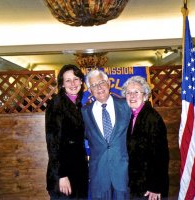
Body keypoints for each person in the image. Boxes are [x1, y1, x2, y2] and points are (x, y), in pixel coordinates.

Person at [81, 69, 131, 200]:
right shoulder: (84, 113)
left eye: (101, 82)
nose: (99, 87)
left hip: (124, 171)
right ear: (90, 90)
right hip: (98, 173)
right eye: (93, 85)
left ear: (108, 83)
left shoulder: (126, 106)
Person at [121, 75, 169, 200]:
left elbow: (161, 155)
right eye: (128, 93)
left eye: (136, 92)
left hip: (150, 188)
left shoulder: (152, 118)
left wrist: (156, 186)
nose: (132, 96)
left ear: (145, 96)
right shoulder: (130, 116)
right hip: (135, 185)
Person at [45, 64, 88, 200]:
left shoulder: (79, 104)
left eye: (76, 79)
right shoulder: (56, 104)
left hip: (78, 171)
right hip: (64, 174)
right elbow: (53, 143)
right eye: (68, 80)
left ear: (81, 81)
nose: (73, 83)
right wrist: (61, 176)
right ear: (62, 84)